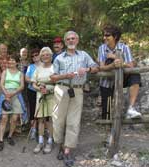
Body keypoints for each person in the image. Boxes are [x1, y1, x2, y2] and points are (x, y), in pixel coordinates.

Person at [50, 31, 98, 167]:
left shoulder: (84, 55)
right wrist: (65, 75)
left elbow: (96, 68)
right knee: (58, 121)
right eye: (68, 39)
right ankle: (59, 145)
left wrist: (87, 69)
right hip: (61, 89)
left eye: (73, 38)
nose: (71, 41)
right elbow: (52, 77)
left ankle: (67, 151)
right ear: (65, 42)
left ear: (77, 40)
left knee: (74, 121)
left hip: (77, 90)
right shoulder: (59, 58)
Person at [98, 24, 142, 119]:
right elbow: (101, 67)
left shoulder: (124, 47)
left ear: (115, 36)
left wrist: (117, 58)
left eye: (107, 35)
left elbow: (131, 65)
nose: (104, 37)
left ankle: (131, 108)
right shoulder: (102, 48)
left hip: (122, 78)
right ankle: (107, 130)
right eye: (104, 35)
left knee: (135, 75)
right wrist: (113, 65)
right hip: (107, 81)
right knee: (106, 114)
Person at [0, 54, 27, 151]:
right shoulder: (5, 72)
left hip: (16, 95)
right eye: (10, 61)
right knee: (4, 117)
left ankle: (9, 136)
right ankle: (0, 140)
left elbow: (22, 86)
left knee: (14, 118)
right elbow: (1, 84)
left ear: (17, 62)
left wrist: (13, 93)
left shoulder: (20, 73)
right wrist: (6, 94)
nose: (11, 62)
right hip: (5, 94)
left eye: (13, 60)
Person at [32, 47, 55, 154]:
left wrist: (49, 90)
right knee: (40, 119)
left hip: (52, 95)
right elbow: (33, 83)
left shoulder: (55, 68)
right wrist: (39, 88)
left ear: (51, 56)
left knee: (50, 119)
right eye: (43, 55)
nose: (45, 57)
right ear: (41, 57)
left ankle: (50, 141)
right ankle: (40, 141)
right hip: (40, 95)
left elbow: (58, 84)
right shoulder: (38, 68)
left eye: (47, 55)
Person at [25, 48, 41, 140]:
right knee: (32, 110)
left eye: (36, 55)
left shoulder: (45, 65)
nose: (35, 57)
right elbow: (26, 78)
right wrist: (34, 81)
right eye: (33, 56)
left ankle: (43, 130)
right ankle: (33, 130)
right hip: (32, 90)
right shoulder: (30, 67)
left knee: (43, 111)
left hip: (42, 91)